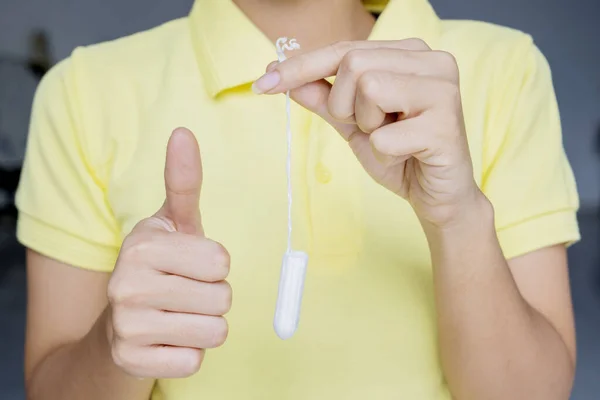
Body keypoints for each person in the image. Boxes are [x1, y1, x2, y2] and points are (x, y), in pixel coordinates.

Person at [17, 0, 579, 399]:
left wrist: (457, 218)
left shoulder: (505, 70)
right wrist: (118, 340)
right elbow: (52, 387)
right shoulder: (84, 90)